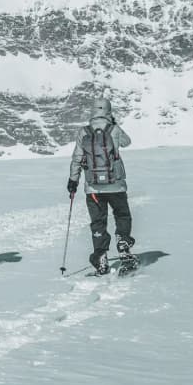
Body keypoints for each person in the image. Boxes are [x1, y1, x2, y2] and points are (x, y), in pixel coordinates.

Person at [67, 97, 134, 275]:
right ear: (109, 111)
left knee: (98, 222)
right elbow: (128, 142)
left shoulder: (84, 132)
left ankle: (101, 257)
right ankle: (123, 243)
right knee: (122, 215)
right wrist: (114, 124)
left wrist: (73, 181)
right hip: (116, 185)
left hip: (93, 188)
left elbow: (77, 158)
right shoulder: (114, 129)